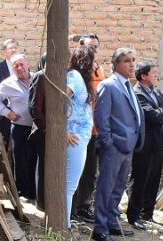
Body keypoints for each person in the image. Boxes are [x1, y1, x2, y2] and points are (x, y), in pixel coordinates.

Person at [91, 48, 144, 241]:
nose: (132, 64)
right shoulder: (109, 86)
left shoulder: (128, 86)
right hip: (113, 146)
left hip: (127, 146)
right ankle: (100, 228)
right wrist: (108, 142)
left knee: (118, 187)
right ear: (116, 64)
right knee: (106, 187)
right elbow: (101, 117)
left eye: (133, 60)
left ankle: (112, 222)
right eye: (126, 61)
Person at [127, 61, 163, 230]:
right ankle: (134, 215)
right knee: (140, 180)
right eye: (154, 73)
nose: (157, 75)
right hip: (144, 145)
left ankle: (148, 213)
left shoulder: (156, 92)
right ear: (144, 76)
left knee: (153, 180)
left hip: (158, 144)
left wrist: (162, 112)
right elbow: (152, 116)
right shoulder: (137, 93)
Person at [0, 54, 37, 200]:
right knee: (20, 159)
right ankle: (23, 191)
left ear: (27, 64)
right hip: (20, 127)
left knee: (34, 159)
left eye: (21, 64)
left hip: (37, 128)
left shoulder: (38, 78)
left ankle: (34, 191)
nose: (19, 68)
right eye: (15, 65)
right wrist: (7, 112)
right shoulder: (9, 83)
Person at [71, 33, 105, 223]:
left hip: (94, 130)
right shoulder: (77, 73)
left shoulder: (100, 71)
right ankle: (72, 209)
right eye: (89, 46)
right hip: (78, 132)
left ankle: (84, 206)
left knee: (90, 171)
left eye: (95, 47)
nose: (93, 49)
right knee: (77, 171)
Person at [64, 47, 96, 229]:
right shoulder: (75, 77)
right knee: (69, 187)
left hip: (79, 138)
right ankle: (64, 225)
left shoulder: (79, 77)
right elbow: (60, 102)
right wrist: (63, 132)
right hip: (74, 138)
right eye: (94, 59)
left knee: (70, 186)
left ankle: (65, 222)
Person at [0, 39, 19, 151]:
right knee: (4, 147)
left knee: (19, 147)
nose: (14, 50)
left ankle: (17, 169)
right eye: (11, 48)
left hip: (20, 115)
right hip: (4, 116)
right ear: (4, 52)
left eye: (15, 48)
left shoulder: (22, 67)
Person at [29, 54, 47, 209]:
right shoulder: (41, 76)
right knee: (42, 167)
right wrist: (45, 126)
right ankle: (41, 202)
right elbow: (35, 107)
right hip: (43, 131)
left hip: (51, 131)